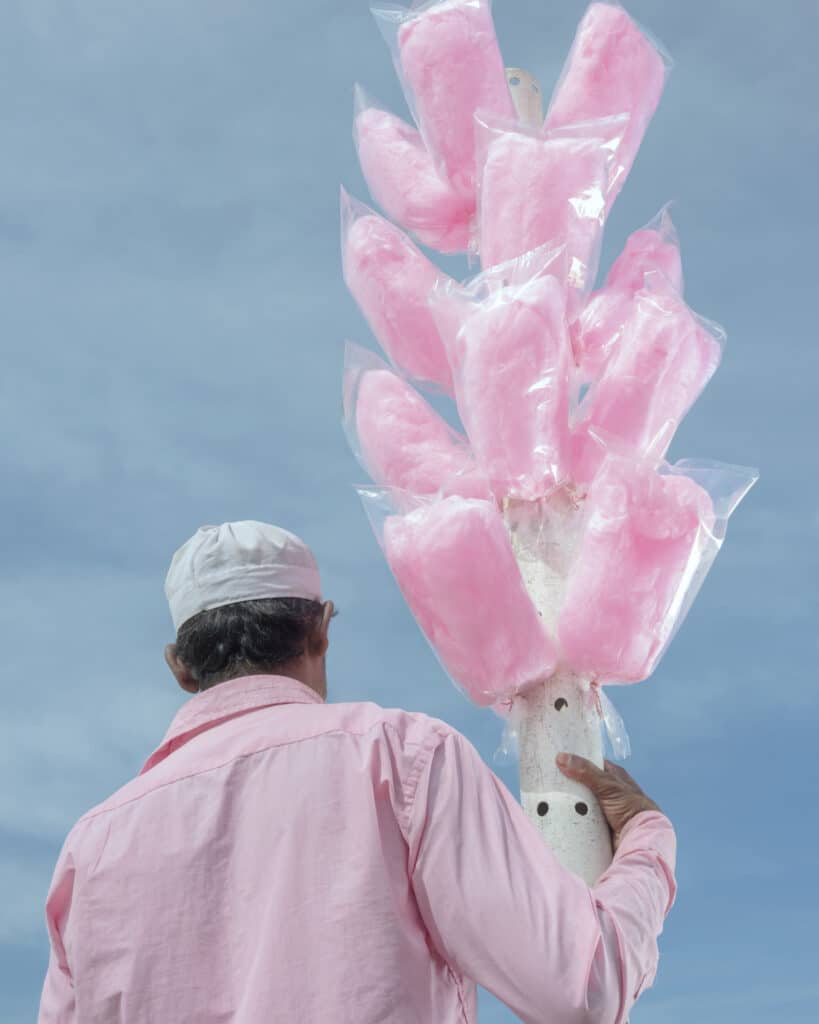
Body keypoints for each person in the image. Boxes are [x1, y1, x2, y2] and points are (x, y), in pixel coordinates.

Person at [38, 520, 676, 1024]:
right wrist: (647, 840)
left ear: (179, 666)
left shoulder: (89, 849)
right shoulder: (403, 759)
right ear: (319, 631)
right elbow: (579, 991)